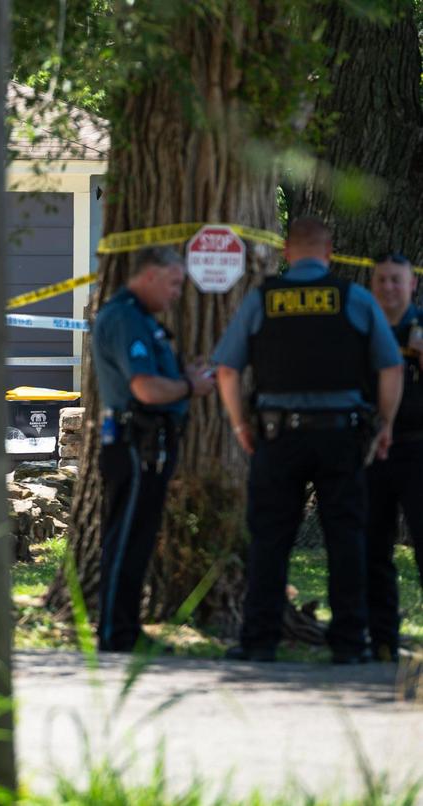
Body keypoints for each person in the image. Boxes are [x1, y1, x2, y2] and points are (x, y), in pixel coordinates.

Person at [214, 217, 403, 664]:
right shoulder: (354, 299)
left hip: (278, 437)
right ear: (330, 252)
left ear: (285, 252)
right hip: (342, 436)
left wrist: (241, 425)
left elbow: (226, 369)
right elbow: (391, 367)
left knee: (270, 539)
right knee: (346, 539)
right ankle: (349, 643)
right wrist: (386, 424)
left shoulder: (262, 300)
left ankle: (259, 641)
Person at [91, 246, 216, 653]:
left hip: (150, 444)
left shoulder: (142, 319)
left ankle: (127, 629)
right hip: (133, 444)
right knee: (125, 540)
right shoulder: (126, 317)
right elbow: (144, 388)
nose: (178, 293)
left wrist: (184, 378)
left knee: (140, 541)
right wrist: (190, 387)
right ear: (150, 275)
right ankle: (114, 633)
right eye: (175, 283)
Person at [366, 253, 423, 661]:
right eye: (382, 280)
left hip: (419, 448)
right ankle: (382, 640)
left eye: (396, 280)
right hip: (372, 450)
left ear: (412, 284)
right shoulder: (360, 327)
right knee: (373, 548)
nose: (389, 287)